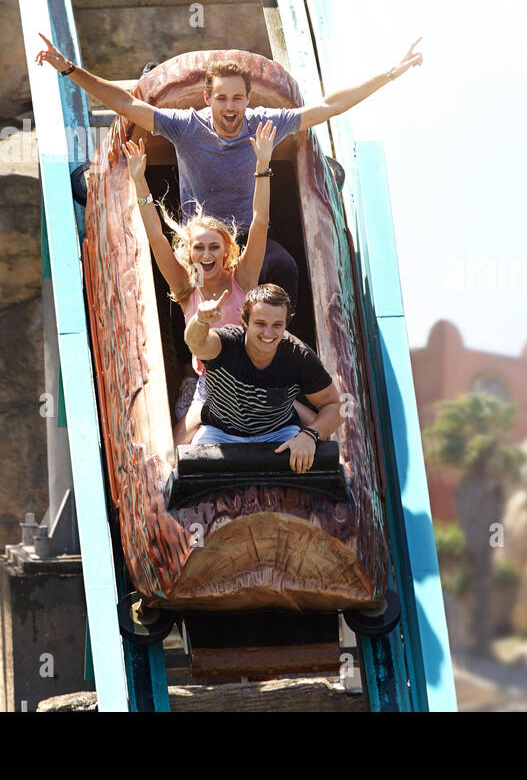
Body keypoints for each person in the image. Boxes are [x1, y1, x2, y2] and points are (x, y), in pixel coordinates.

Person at [32, 33, 424, 305]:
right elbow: (126, 104)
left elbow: (327, 108)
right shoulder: (186, 127)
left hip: (246, 238)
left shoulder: (263, 122)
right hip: (197, 240)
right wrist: (67, 68)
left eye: (238, 98)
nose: (230, 107)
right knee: (170, 280)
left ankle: (275, 345)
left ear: (248, 98)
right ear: (208, 98)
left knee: (283, 266)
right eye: (222, 98)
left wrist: (390, 74)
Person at [122, 120, 311, 443]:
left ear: (225, 252)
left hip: (257, 377)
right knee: (178, 442)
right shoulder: (185, 287)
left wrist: (262, 165)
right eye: (199, 247)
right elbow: (156, 237)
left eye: (214, 247)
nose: (206, 254)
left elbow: (260, 222)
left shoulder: (243, 277)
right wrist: (139, 181)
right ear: (190, 253)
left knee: (312, 418)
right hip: (214, 383)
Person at [184, 283, 344, 473]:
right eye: (260, 324)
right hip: (221, 432)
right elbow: (195, 342)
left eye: (277, 325)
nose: (268, 333)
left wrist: (309, 435)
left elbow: (336, 407)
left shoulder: (298, 355)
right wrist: (200, 320)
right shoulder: (226, 343)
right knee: (192, 474)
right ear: (244, 321)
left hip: (279, 432)